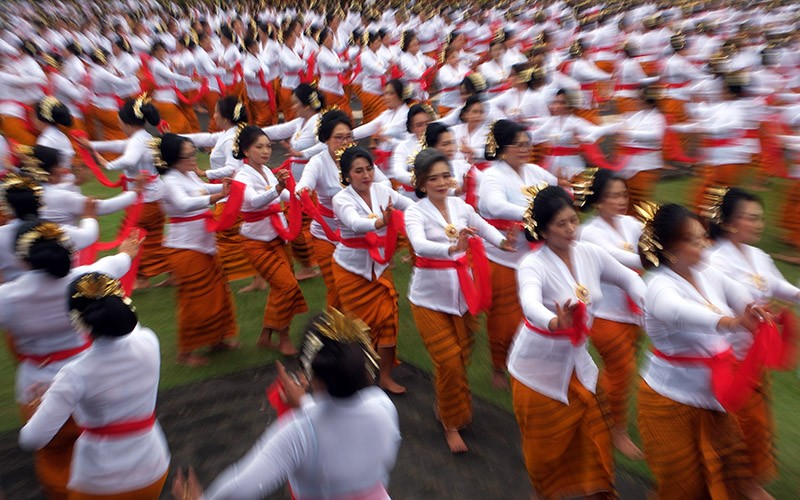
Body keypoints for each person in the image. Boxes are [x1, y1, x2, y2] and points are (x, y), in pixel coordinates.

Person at [173, 309, 401, 500]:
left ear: (311, 374)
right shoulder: (382, 406)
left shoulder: (299, 432)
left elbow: (241, 485)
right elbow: (340, 418)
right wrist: (304, 401)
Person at [508, 185, 645, 498]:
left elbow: (628, 277)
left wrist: (645, 299)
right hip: (536, 372)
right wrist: (555, 321)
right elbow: (529, 303)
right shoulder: (533, 264)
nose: (571, 229)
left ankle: (600, 491)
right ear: (543, 230)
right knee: (544, 451)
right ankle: (543, 493)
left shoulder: (590, 253)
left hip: (577, 365)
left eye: (573, 220)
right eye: (561, 224)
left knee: (596, 437)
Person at [636, 202, 770, 499]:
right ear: (671, 249)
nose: (705, 245)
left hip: (713, 395)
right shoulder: (658, 286)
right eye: (694, 241)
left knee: (724, 471)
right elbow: (679, 313)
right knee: (682, 484)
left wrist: (751, 308)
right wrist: (732, 322)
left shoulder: (706, 271)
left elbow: (737, 292)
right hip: (670, 400)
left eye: (703, 237)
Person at [0, 221, 140, 498]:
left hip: (36, 386)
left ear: (21, 259)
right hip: (90, 378)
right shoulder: (89, 278)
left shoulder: (8, 297)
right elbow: (119, 262)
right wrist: (127, 251)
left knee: (54, 454)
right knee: (100, 443)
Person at [19, 272, 170, 499]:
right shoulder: (149, 340)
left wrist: (38, 409)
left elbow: (32, 439)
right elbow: (129, 326)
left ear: (78, 322)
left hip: (102, 480)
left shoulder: (74, 374)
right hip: (154, 466)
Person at [405, 148, 514, 453]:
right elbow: (420, 245)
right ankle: (451, 422)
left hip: (464, 298)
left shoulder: (460, 205)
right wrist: (453, 249)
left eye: (445, 176)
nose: (441, 182)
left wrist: (504, 242)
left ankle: (447, 404)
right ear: (422, 182)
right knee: (450, 361)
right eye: (433, 178)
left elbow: (483, 225)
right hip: (428, 300)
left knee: (459, 359)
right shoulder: (416, 211)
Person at [706, 187, 800, 486]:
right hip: (728, 355)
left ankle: (746, 481)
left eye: (760, 218)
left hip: (754, 355)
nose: (760, 224)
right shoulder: (713, 260)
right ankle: (738, 482)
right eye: (752, 218)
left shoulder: (759, 256)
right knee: (742, 421)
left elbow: (780, 287)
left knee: (756, 421)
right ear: (731, 221)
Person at [478, 120, 559, 389]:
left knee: (539, 309)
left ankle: (532, 362)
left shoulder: (536, 172)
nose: (526, 149)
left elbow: (556, 190)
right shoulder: (492, 175)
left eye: (528, 144)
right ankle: (499, 365)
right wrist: (535, 213)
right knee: (504, 319)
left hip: (536, 256)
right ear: (503, 149)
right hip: (503, 257)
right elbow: (493, 205)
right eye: (519, 145)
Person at [332, 144, 412, 394]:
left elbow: (411, 206)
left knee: (389, 318)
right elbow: (355, 224)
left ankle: (385, 376)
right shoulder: (341, 198)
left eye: (369, 169)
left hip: (379, 267)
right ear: (346, 176)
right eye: (358, 171)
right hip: (350, 270)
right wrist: (382, 221)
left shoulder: (382, 190)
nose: (366, 175)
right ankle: (359, 376)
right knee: (357, 328)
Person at [577, 168, 645, 459]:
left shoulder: (631, 224)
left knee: (619, 372)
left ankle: (594, 411)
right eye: (613, 196)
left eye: (624, 194)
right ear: (597, 200)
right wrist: (658, 257)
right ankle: (614, 428)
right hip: (606, 315)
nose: (620, 201)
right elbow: (620, 258)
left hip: (635, 313)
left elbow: (654, 242)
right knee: (622, 372)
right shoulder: (589, 232)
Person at [157, 133, 239, 366]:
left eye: (194, 153)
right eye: (188, 155)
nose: (194, 159)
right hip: (184, 247)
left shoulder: (188, 174)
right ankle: (185, 351)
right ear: (173, 159)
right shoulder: (170, 181)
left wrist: (224, 187)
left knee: (217, 293)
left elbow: (202, 187)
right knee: (195, 299)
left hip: (204, 244)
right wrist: (217, 196)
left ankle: (217, 339)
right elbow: (183, 204)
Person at [296, 109, 391, 310]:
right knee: (337, 287)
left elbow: (385, 182)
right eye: (338, 138)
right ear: (326, 140)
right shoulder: (318, 162)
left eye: (348, 137)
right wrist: (303, 189)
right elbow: (304, 184)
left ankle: (367, 327)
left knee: (368, 284)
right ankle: (337, 333)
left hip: (359, 233)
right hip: (326, 234)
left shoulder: (359, 159)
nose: (345, 142)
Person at [232, 125, 308, 355]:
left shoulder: (265, 170)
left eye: (268, 146)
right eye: (259, 147)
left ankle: (266, 335)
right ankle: (283, 337)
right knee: (287, 286)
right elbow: (255, 201)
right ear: (246, 151)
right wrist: (278, 188)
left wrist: (301, 192)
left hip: (277, 238)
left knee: (280, 287)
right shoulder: (242, 176)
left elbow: (286, 194)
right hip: (256, 243)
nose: (265, 151)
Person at [83, 96, 171, 289]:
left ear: (126, 123)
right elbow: (120, 145)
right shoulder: (144, 136)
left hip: (145, 199)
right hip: (155, 197)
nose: (119, 124)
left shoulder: (138, 140)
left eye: (119, 121)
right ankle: (176, 270)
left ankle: (140, 278)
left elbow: (129, 159)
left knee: (131, 236)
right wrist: (92, 145)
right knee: (154, 238)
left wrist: (107, 164)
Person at [183, 97, 262, 290]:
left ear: (225, 117)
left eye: (216, 112)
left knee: (223, 237)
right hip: (231, 192)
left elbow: (232, 167)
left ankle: (223, 281)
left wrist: (205, 173)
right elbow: (206, 139)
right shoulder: (230, 134)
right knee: (241, 235)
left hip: (231, 194)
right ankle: (256, 278)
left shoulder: (231, 138)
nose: (214, 115)